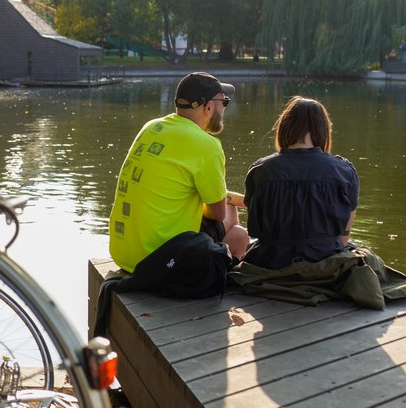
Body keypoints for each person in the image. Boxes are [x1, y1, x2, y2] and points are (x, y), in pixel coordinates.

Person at [108, 72, 249, 274]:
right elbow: (218, 214)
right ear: (208, 107)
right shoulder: (206, 145)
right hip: (157, 259)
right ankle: (223, 267)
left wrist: (229, 198)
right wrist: (225, 201)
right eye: (223, 102)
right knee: (239, 234)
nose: (224, 108)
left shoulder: (152, 127)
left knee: (229, 217)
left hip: (125, 254)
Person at [242, 96, 358, 269]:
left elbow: (254, 226)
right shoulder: (344, 171)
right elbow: (343, 236)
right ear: (323, 129)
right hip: (324, 263)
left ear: (284, 127)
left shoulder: (260, 170)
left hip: (270, 262)